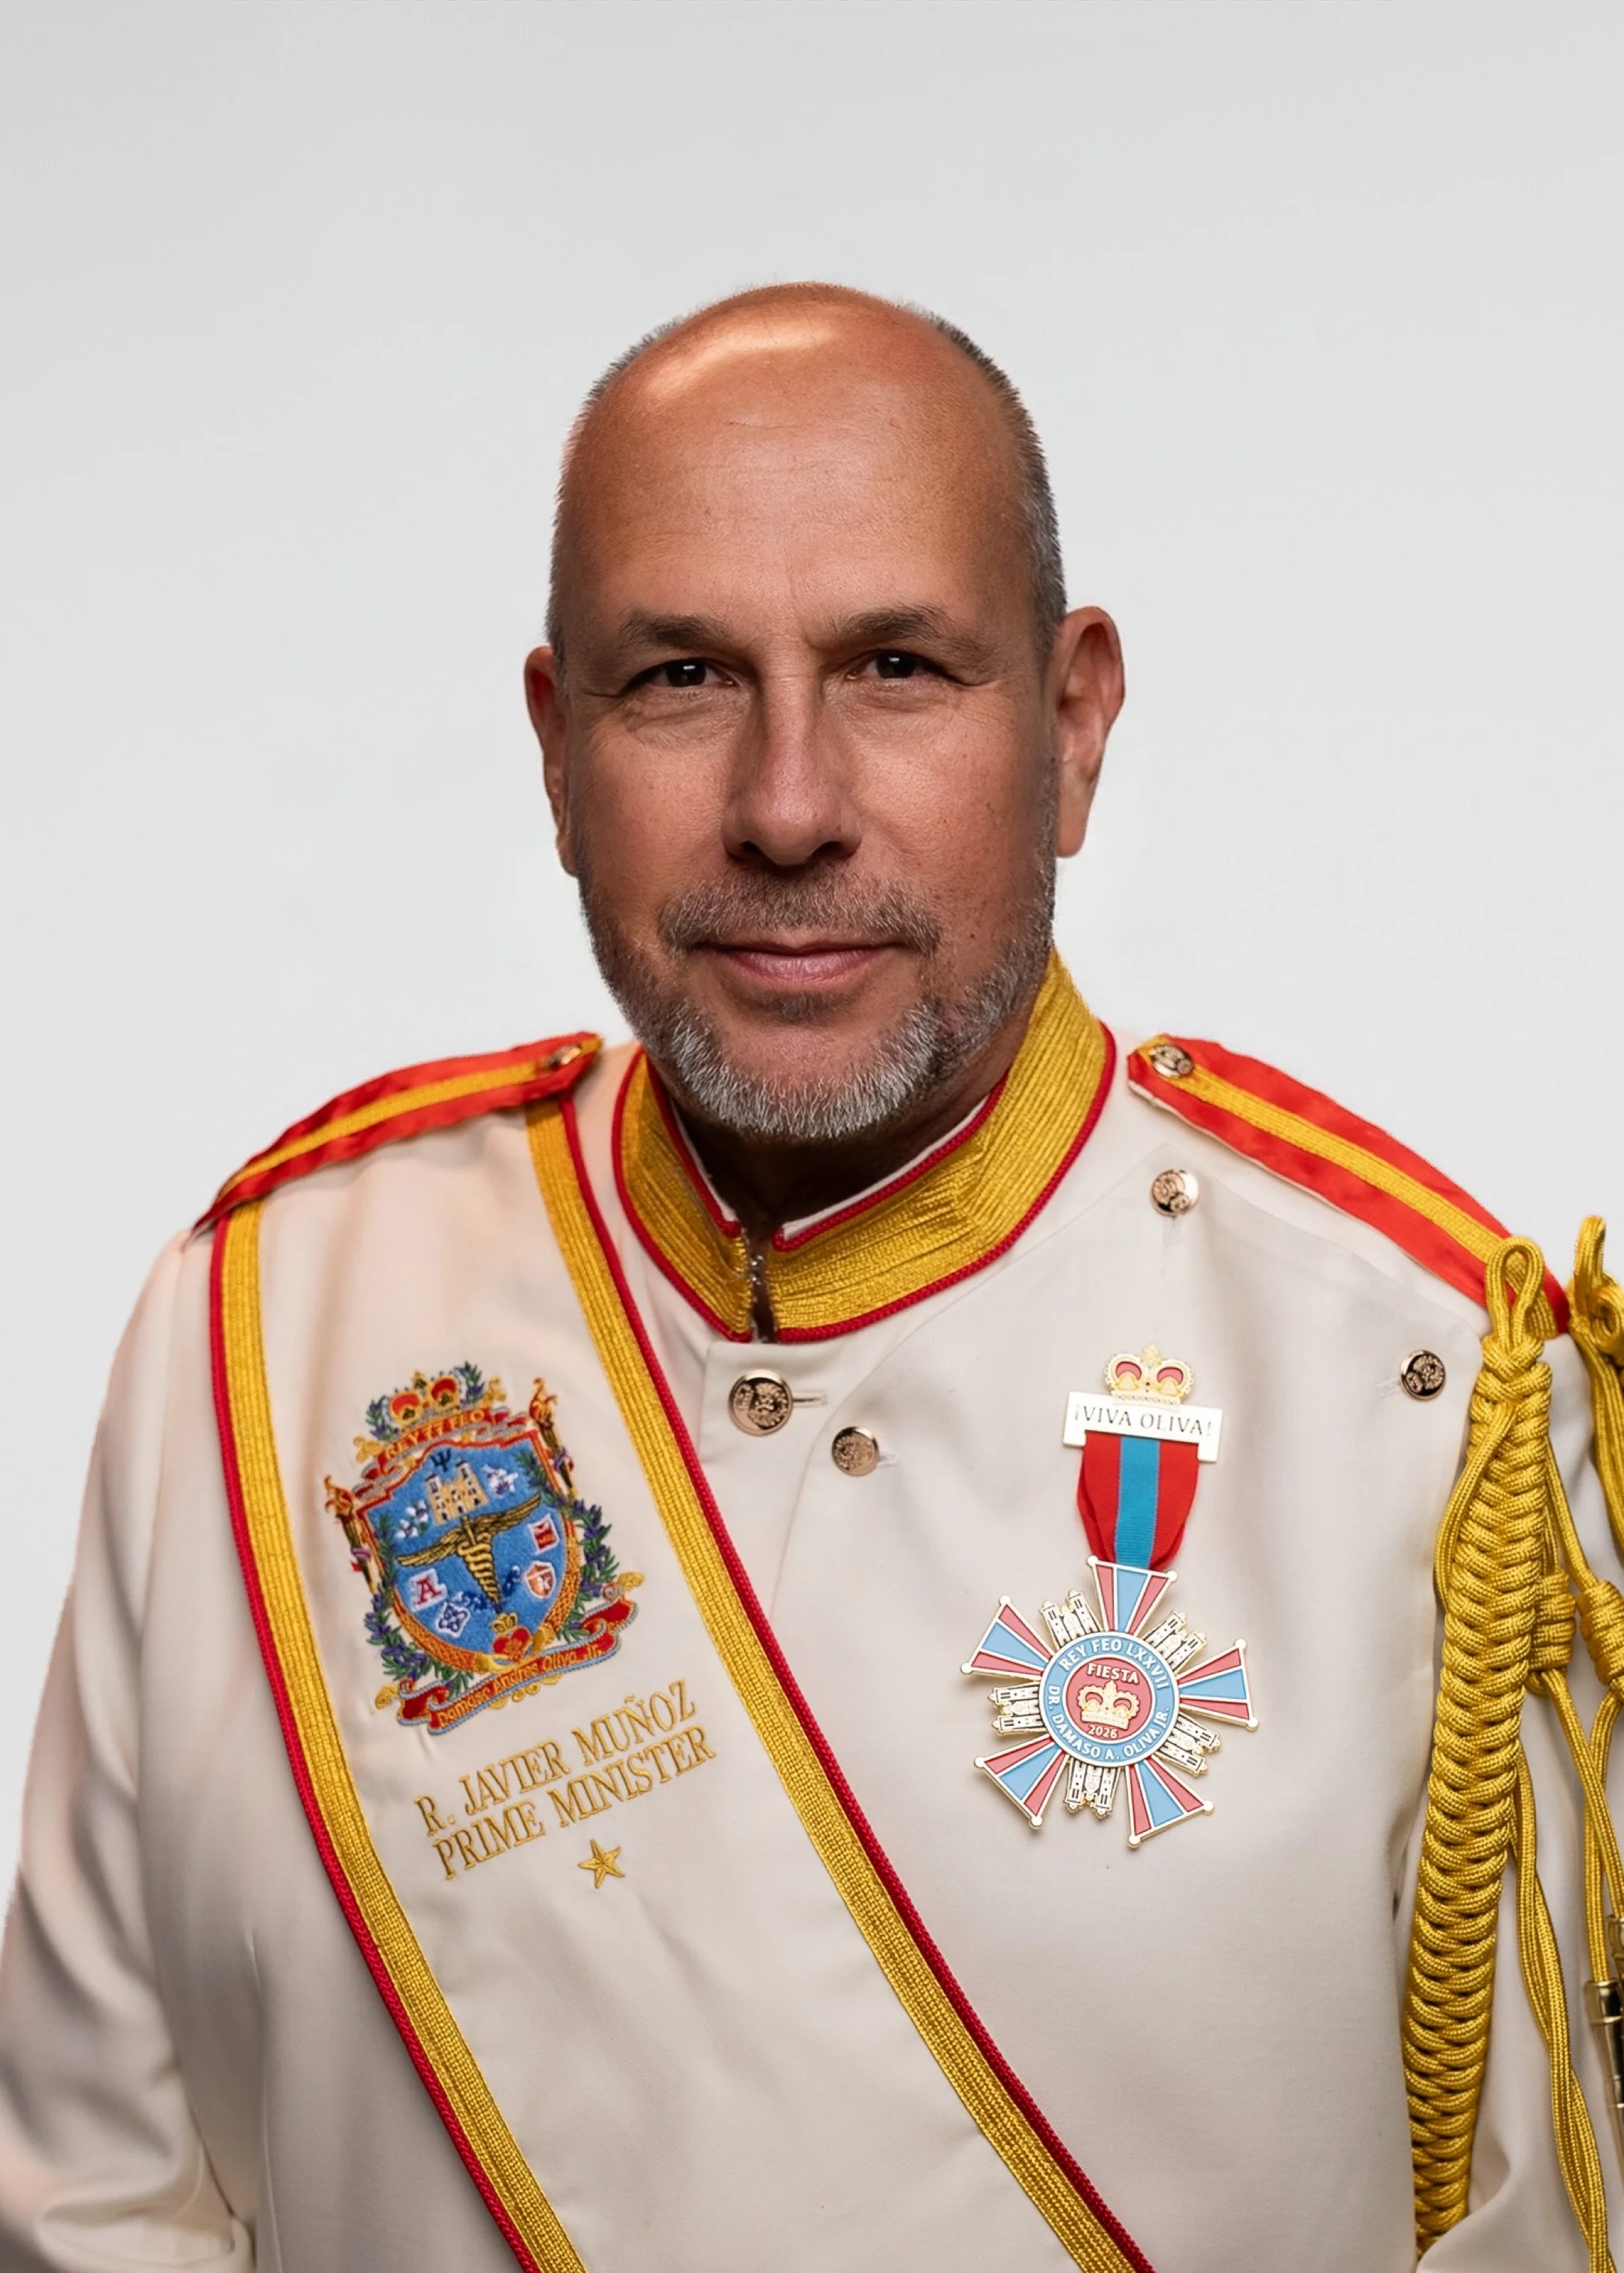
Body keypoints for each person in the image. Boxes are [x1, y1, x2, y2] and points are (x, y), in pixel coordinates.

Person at [2, 282, 1622, 2273]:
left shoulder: (1430, 1394)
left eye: (896, 670)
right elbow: (92, 2209)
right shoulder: (269, 1324)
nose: (787, 806)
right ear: (555, 750)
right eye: (681, 677)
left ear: (1075, 724)